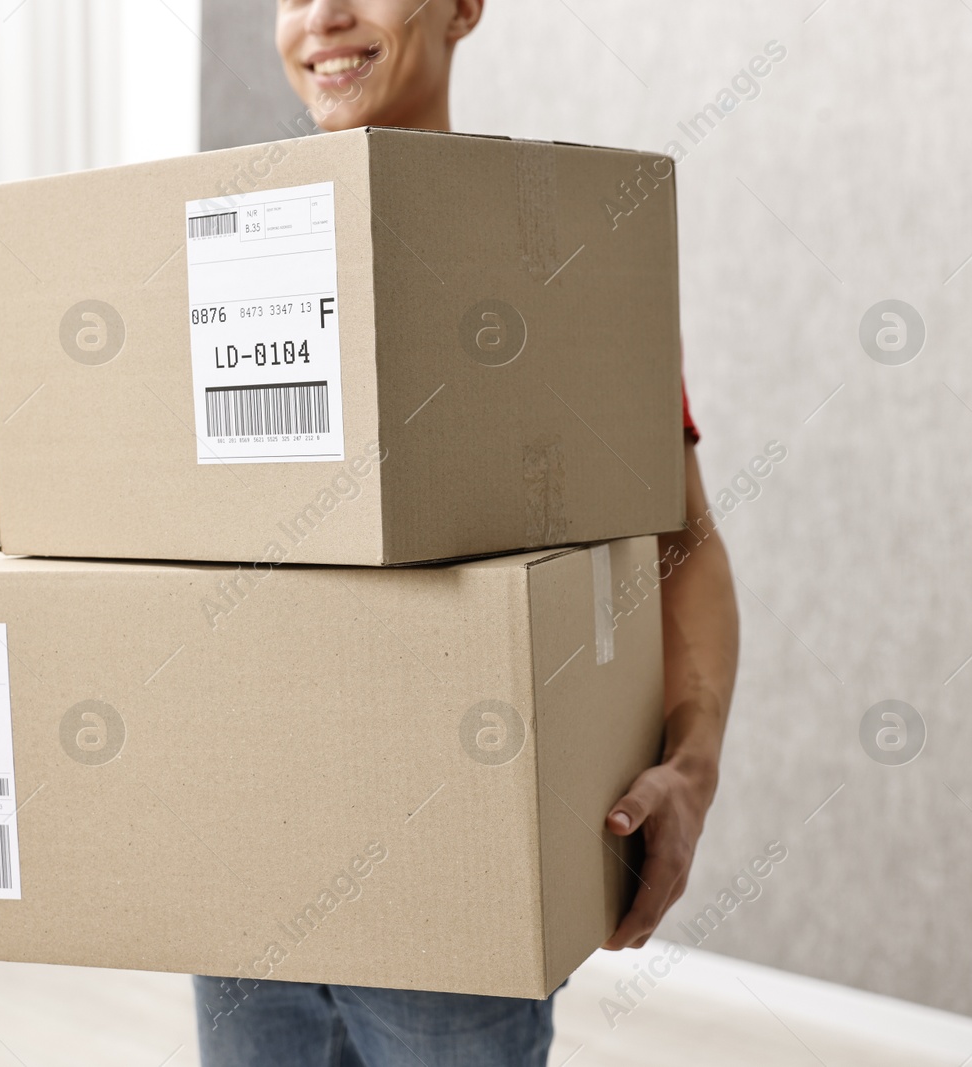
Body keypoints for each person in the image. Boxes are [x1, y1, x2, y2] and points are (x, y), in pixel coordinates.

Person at [193, 2, 741, 1062]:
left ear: (461, 7)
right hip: (245, 875)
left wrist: (694, 762)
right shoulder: (211, 263)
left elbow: (679, 540)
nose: (323, 19)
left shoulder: (561, 254)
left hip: (455, 886)